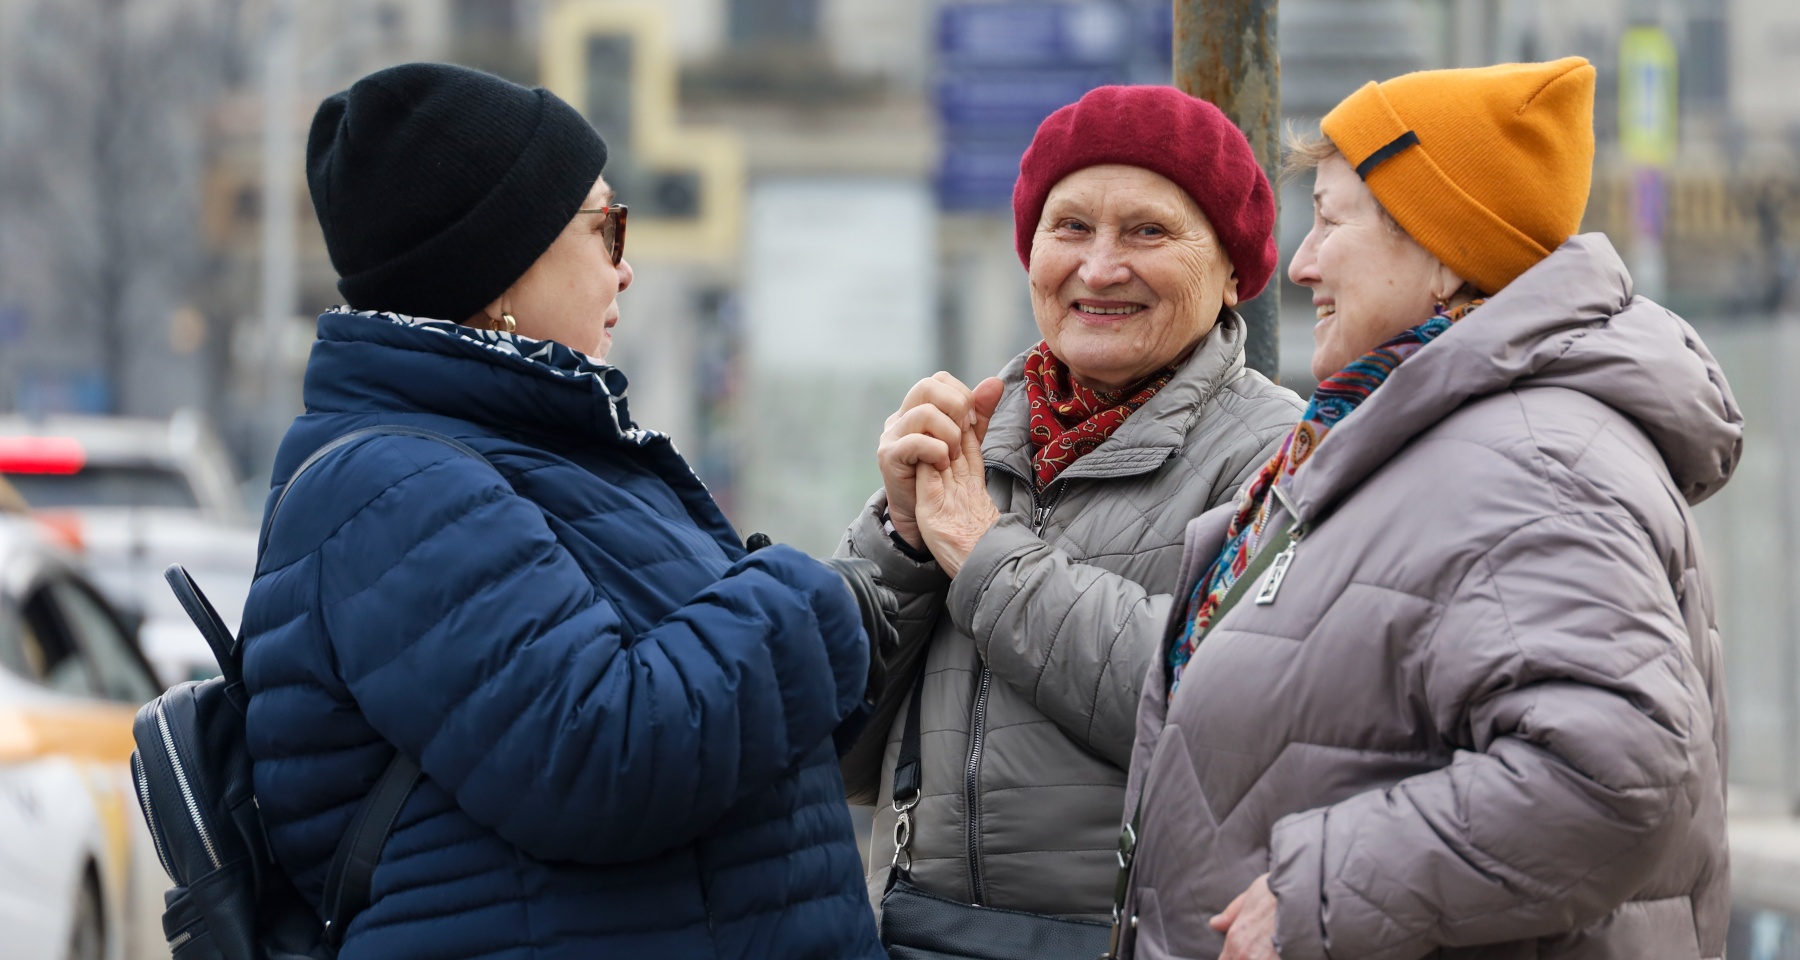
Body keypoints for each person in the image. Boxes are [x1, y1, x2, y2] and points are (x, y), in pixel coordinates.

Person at [238, 63, 889, 960]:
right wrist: (819, 598)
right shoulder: (394, 493)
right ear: (502, 265)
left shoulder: (543, 454)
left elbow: (735, 703)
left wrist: (896, 548)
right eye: (603, 225)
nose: (626, 267)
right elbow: (602, 751)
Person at [1116, 58, 1739, 960]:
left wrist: (1321, 891)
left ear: (1444, 248)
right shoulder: (1420, 438)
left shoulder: (1529, 460)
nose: (1300, 263)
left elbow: (1616, 777)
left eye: (1330, 220)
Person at [838, 85, 1305, 919]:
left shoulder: (1279, 453)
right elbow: (833, 752)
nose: (1098, 268)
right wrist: (902, 543)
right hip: (925, 931)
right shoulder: (980, 432)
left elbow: (1215, 717)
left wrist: (982, 554)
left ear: (1233, 270)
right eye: (1071, 228)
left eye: (1149, 231)